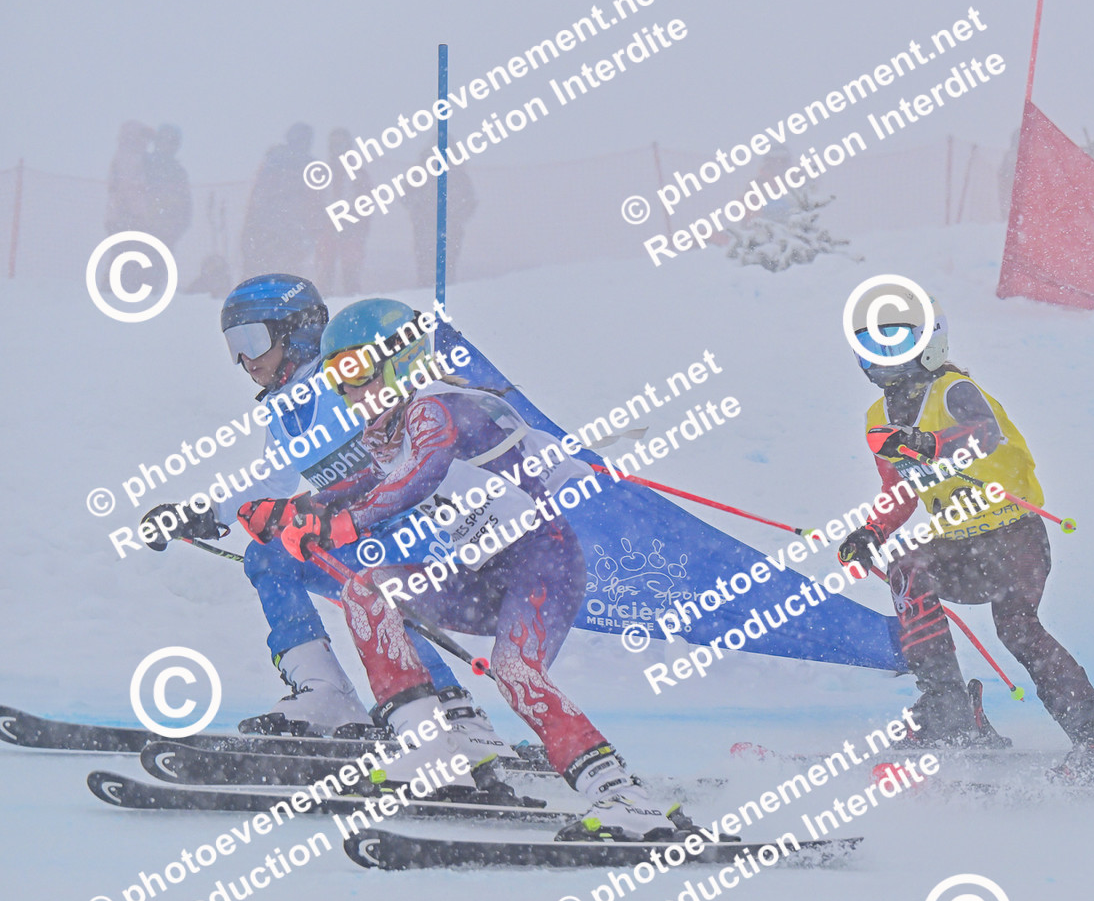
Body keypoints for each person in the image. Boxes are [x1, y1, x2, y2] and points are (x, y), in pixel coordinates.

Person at [254, 297, 692, 835]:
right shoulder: (391, 429)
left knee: (516, 672)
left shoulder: (436, 407)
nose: (350, 392)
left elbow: (418, 477)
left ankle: (626, 799)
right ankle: (431, 749)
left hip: (543, 568)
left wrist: (341, 524)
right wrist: (290, 510)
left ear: (402, 360)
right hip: (485, 578)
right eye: (336, 379)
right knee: (370, 592)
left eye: (357, 370)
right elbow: (367, 481)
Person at [139, 276, 507, 764]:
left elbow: (412, 446)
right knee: (269, 555)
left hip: (423, 534)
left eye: (254, 340)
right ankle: (325, 693)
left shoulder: (346, 382)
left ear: (298, 331)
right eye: (235, 347)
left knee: (372, 576)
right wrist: (206, 514)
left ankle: (450, 709)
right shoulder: (283, 408)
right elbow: (272, 481)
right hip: (355, 537)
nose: (246, 360)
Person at [835, 306, 1094, 786]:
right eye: (871, 347)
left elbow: (983, 434)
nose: (884, 357)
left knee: (1016, 628)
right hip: (959, 546)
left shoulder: (953, 389)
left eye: (896, 341)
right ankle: (948, 709)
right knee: (906, 567)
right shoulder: (879, 418)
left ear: (929, 341)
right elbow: (901, 490)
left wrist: (929, 443)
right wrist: (871, 531)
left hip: (1014, 537)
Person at [241, 124, 320, 274]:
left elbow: (256, 198)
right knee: (287, 271)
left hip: (268, 228)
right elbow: (313, 205)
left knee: (262, 269)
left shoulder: (272, 162)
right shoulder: (308, 168)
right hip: (289, 229)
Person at [401, 147, 475, 288]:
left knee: (446, 265)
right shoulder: (420, 174)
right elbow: (406, 197)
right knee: (427, 264)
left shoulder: (459, 177)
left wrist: (455, 217)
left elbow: (470, 203)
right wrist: (420, 210)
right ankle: (427, 289)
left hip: (448, 229)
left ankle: (438, 289)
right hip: (427, 228)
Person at [314, 129, 371, 295]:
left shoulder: (358, 174)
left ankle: (353, 303)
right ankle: (324, 304)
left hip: (351, 228)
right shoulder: (322, 172)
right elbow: (314, 202)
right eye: (334, 145)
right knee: (325, 272)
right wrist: (317, 226)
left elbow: (367, 203)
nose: (337, 149)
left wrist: (359, 228)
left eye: (340, 145)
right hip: (327, 227)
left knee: (351, 273)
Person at [143, 124, 192, 248]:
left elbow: (186, 208)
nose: (169, 145)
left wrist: (173, 232)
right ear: (157, 141)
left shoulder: (179, 172)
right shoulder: (143, 163)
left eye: (173, 141)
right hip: (140, 230)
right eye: (164, 139)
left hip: (165, 235)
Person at [105, 121, 153, 235]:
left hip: (119, 216)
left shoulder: (121, 156)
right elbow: (127, 187)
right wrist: (138, 213)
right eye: (143, 136)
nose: (146, 141)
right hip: (128, 216)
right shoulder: (130, 158)